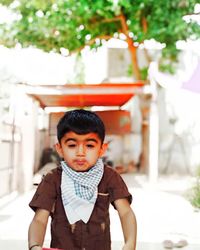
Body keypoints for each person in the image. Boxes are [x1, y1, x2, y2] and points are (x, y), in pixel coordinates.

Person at [28, 109, 137, 250]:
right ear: (60, 148)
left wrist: (130, 244)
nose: (80, 153)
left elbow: (126, 213)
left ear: (101, 149)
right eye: (72, 145)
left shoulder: (110, 177)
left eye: (90, 145)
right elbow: (39, 220)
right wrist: (34, 245)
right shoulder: (52, 179)